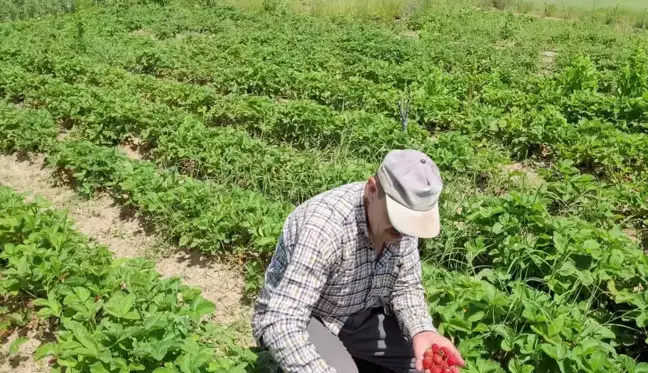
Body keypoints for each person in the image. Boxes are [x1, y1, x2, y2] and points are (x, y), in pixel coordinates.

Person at [251, 149, 465, 373]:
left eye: (412, 223)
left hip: (362, 317)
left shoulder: (402, 226)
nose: (404, 231)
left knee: (424, 368)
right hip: (313, 318)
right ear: (372, 190)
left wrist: (422, 330)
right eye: (399, 218)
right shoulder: (324, 228)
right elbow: (283, 321)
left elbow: (406, 287)